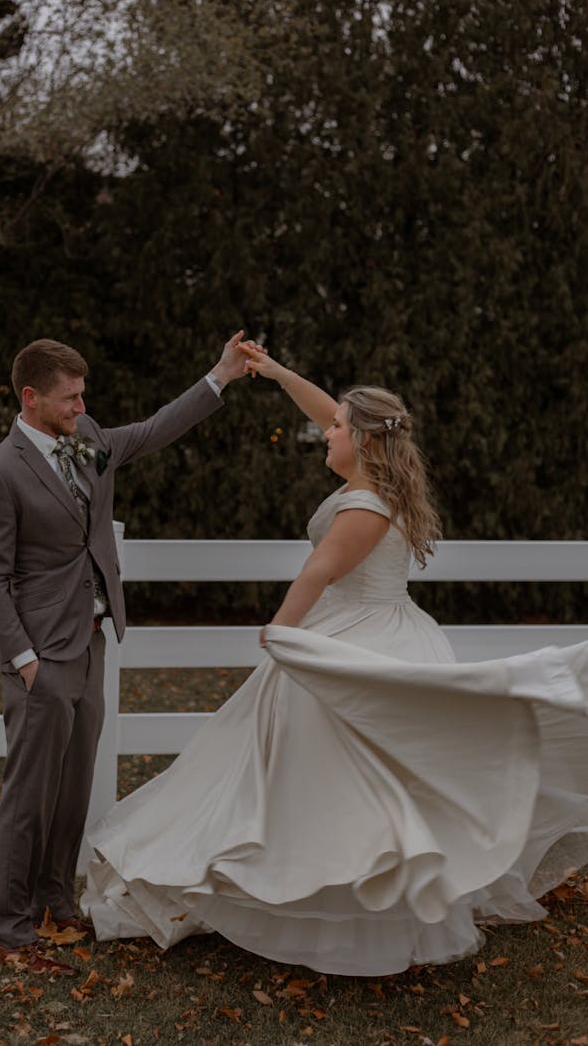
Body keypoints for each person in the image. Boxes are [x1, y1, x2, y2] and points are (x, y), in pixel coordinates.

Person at [79, 346, 588, 976]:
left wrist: (280, 635)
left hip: (357, 637)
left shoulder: (364, 506)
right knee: (359, 782)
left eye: (339, 428)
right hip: (387, 626)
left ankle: (339, 900)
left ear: (365, 441)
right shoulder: (378, 481)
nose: (327, 430)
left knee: (344, 783)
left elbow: (317, 572)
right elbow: (332, 412)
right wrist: (276, 373)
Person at [0, 331, 262, 975]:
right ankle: (9, 931)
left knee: (73, 789)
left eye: (83, 394)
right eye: (70, 397)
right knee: (29, 795)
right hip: (40, 659)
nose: (81, 404)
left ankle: (52, 901)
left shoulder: (90, 438)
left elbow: (156, 429)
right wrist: (24, 661)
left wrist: (219, 375)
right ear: (31, 397)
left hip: (92, 645)